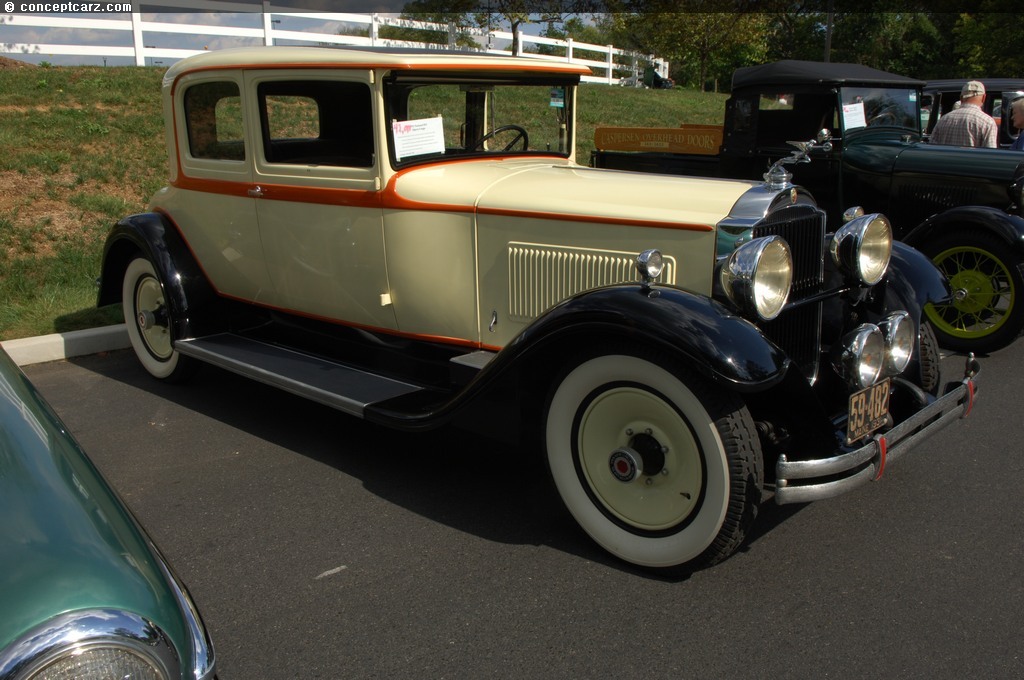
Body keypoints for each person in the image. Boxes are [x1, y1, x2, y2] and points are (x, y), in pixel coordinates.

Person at [929, 80, 997, 148]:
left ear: (961, 98)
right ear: (984, 98)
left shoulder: (943, 119)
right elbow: (991, 153)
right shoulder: (987, 122)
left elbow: (932, 147)